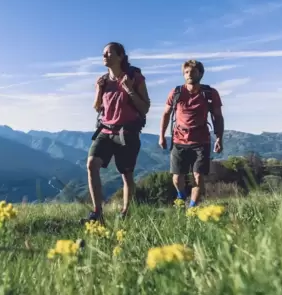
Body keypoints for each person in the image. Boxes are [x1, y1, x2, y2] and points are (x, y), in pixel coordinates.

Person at [82, 42, 151, 224]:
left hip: (126, 132)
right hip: (105, 129)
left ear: (120, 56)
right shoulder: (103, 81)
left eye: (108, 53)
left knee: (126, 174)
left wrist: (128, 89)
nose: (104, 56)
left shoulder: (134, 77)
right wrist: (98, 91)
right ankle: (97, 213)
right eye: (103, 53)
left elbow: (145, 108)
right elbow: (98, 107)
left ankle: (126, 212)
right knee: (91, 164)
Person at [158, 59, 224, 208]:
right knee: (176, 178)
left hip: (201, 140)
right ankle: (181, 195)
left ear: (200, 74)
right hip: (179, 139)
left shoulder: (210, 93)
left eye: (193, 71)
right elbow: (166, 115)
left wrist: (219, 138)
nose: (189, 75)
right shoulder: (176, 93)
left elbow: (217, 117)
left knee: (198, 177)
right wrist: (161, 136)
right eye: (186, 72)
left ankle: (192, 208)